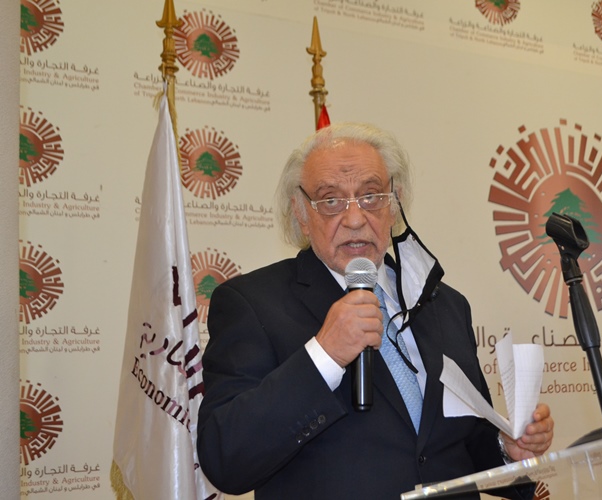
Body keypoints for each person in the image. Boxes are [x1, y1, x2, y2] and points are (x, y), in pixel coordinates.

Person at [197, 122, 554, 499]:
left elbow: (458, 443)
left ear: (394, 203)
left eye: (370, 196)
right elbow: (225, 459)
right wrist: (324, 354)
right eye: (331, 201)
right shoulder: (251, 303)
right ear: (301, 213)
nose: (355, 219)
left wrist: (506, 449)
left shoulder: (444, 304)